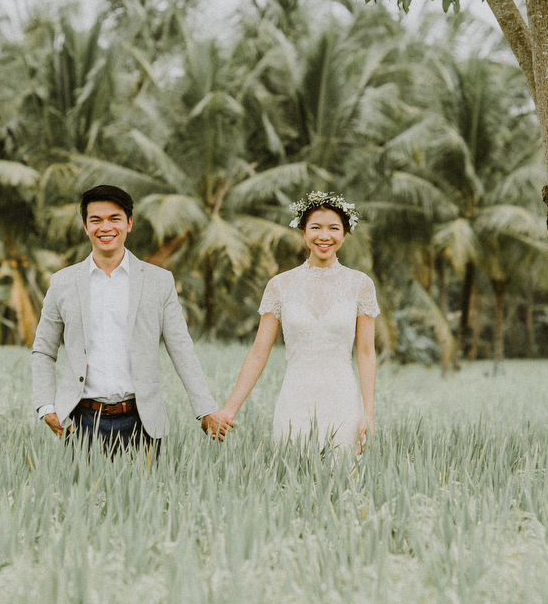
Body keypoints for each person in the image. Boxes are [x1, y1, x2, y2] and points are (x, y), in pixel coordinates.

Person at [31, 184, 233, 454]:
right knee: (82, 496)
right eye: (96, 220)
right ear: (85, 226)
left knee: (147, 496)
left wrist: (205, 409)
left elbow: (181, 349)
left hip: (142, 421)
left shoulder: (159, 281)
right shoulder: (62, 283)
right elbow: (44, 350)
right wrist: (46, 406)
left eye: (114, 219)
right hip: (80, 421)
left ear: (129, 223)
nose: (106, 227)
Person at [215, 192, 379, 454]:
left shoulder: (361, 285)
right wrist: (229, 410)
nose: (324, 236)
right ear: (303, 232)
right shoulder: (280, 285)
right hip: (295, 399)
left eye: (333, 228)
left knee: (344, 480)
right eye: (315, 227)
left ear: (345, 235)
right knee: (291, 480)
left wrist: (368, 414)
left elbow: (366, 352)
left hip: (344, 400)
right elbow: (259, 352)